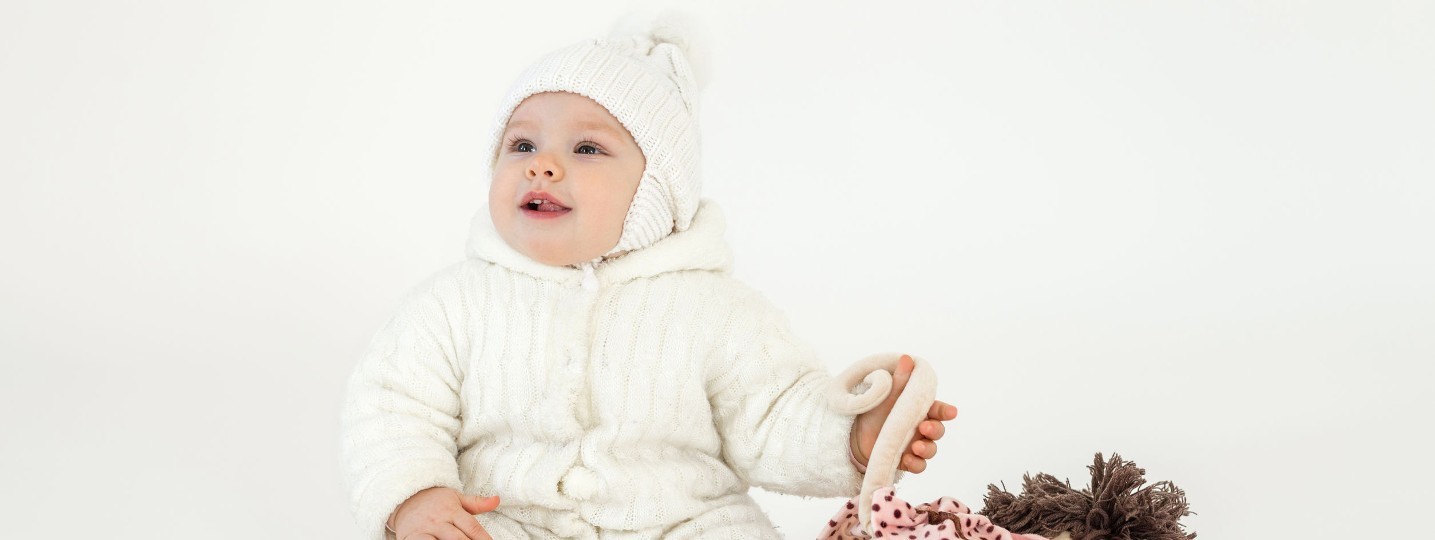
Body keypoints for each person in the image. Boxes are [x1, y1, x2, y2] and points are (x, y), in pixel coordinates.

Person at [340, 18, 958, 540]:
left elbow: (769, 417)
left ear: (656, 193)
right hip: (511, 518)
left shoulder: (716, 308)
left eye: (586, 150)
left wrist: (853, 437)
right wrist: (414, 496)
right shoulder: (452, 305)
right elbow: (392, 408)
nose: (543, 166)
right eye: (521, 145)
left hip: (682, 522)